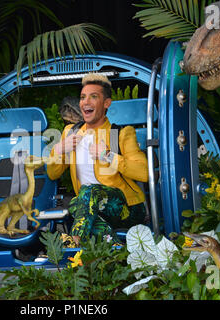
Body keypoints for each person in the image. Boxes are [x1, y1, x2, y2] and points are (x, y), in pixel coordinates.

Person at [46, 73, 148, 246]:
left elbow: (144, 173)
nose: (86, 102)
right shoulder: (71, 133)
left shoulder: (121, 133)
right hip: (89, 208)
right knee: (78, 203)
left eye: (93, 97)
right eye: (83, 97)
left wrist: (107, 156)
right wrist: (59, 150)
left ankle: (74, 244)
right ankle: (117, 249)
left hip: (126, 208)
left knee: (87, 193)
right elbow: (52, 174)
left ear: (106, 103)